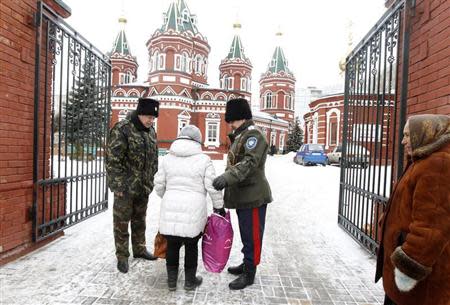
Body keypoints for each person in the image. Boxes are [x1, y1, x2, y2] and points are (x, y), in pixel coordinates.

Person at [375, 114, 450, 305]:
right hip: (403, 276)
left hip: (417, 282)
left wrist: (408, 269)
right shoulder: (421, 160)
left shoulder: (438, 164)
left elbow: (432, 228)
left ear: (424, 133)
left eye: (408, 135)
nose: (402, 141)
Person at [154, 125, 225, 291]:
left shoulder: (167, 159)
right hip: (194, 208)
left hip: (170, 205)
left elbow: (158, 185)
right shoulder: (204, 160)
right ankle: (189, 281)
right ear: (197, 141)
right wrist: (218, 207)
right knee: (191, 246)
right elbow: (212, 187)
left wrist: (169, 195)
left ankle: (171, 282)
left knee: (172, 245)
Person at [212, 98, 273, 290]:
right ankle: (247, 262)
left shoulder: (254, 136)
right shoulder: (241, 136)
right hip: (243, 195)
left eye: (233, 119)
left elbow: (248, 163)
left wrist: (227, 178)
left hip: (253, 195)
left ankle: (250, 273)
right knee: (247, 234)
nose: (230, 124)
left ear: (241, 117)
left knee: (253, 236)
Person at [105, 97, 160, 273]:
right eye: (149, 117)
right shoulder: (123, 129)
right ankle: (122, 256)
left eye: (153, 118)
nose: (152, 121)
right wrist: (118, 186)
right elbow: (113, 160)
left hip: (143, 187)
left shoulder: (151, 132)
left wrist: (151, 179)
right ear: (140, 113)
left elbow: (154, 159)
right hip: (125, 188)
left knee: (140, 221)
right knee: (121, 223)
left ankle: (140, 249)